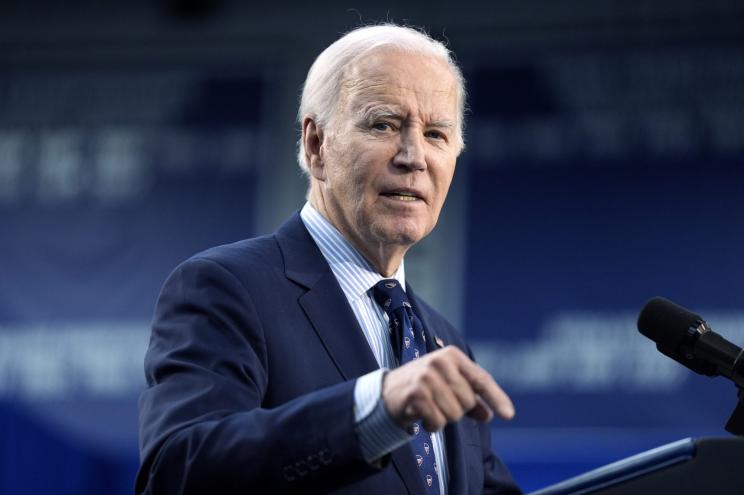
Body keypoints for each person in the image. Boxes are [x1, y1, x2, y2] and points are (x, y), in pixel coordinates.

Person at [136, 24, 521, 495]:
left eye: (437, 134)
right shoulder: (227, 288)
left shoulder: (444, 343)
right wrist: (374, 408)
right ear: (317, 146)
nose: (414, 157)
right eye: (384, 124)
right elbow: (178, 471)